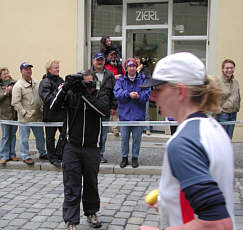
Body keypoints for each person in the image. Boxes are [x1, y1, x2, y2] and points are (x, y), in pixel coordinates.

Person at [140, 52, 235, 230]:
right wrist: (169, 199)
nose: (152, 97)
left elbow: (219, 224)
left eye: (158, 89)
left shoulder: (183, 143)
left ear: (181, 92)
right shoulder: (214, 128)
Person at [50, 70, 109, 230]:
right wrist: (65, 88)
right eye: (84, 84)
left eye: (90, 83)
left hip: (92, 148)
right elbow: (52, 107)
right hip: (72, 147)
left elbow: (103, 111)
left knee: (91, 183)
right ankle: (71, 220)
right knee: (71, 184)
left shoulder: (100, 94)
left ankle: (91, 212)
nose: (87, 86)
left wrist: (84, 94)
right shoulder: (71, 93)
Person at [114, 58, 150, 168]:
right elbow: (117, 93)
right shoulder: (121, 80)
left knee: (137, 138)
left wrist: (139, 96)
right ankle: (124, 157)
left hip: (138, 115)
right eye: (129, 66)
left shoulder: (142, 79)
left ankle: (135, 157)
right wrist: (128, 94)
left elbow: (147, 93)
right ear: (126, 68)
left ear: (136, 67)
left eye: (134, 66)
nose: (132, 68)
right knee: (124, 138)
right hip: (125, 115)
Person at [11, 62, 47, 165]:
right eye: (26, 69)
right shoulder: (18, 86)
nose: (28, 71)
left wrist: (42, 108)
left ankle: (42, 153)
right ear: (21, 71)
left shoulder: (35, 82)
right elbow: (15, 102)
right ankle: (25, 156)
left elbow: (40, 97)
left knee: (40, 136)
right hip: (25, 117)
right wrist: (24, 113)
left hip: (37, 115)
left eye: (29, 69)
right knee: (24, 138)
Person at [89, 52, 117, 163]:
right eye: (97, 60)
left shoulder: (110, 75)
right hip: (92, 109)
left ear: (104, 61)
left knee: (103, 135)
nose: (99, 62)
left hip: (105, 109)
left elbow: (114, 93)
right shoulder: (88, 74)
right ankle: (91, 153)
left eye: (101, 60)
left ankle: (100, 153)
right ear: (93, 61)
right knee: (91, 133)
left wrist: (113, 106)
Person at [39, 60, 65, 168]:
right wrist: (58, 91)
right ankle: (52, 157)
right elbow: (47, 99)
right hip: (50, 115)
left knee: (65, 135)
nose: (58, 69)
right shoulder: (45, 82)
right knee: (50, 138)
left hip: (61, 115)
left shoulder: (60, 79)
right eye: (55, 68)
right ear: (49, 70)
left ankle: (59, 153)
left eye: (58, 67)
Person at [216, 59, 241, 139]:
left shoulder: (235, 82)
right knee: (222, 139)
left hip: (233, 113)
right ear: (222, 69)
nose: (229, 70)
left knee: (229, 138)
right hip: (222, 114)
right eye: (227, 68)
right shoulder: (217, 81)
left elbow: (238, 96)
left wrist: (237, 107)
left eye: (231, 68)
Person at [0, 67, 18, 164]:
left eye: (7, 73)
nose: (6, 75)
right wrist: (6, 93)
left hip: (14, 115)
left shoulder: (14, 83)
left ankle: (12, 154)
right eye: (4, 74)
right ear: (0, 76)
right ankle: (4, 155)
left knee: (12, 135)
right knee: (5, 136)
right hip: (4, 116)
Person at [105, 49, 125, 136]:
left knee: (116, 110)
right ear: (108, 56)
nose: (113, 57)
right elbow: (104, 77)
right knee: (108, 109)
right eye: (111, 55)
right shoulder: (105, 66)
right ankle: (108, 128)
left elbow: (124, 76)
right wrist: (114, 77)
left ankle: (115, 128)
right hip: (108, 90)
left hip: (117, 90)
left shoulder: (119, 66)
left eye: (114, 55)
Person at [135, 56, 152, 135]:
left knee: (146, 111)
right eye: (135, 59)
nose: (136, 60)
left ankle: (147, 128)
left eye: (137, 59)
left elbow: (149, 80)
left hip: (144, 92)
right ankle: (138, 129)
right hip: (135, 93)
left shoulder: (145, 70)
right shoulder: (133, 70)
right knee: (137, 111)